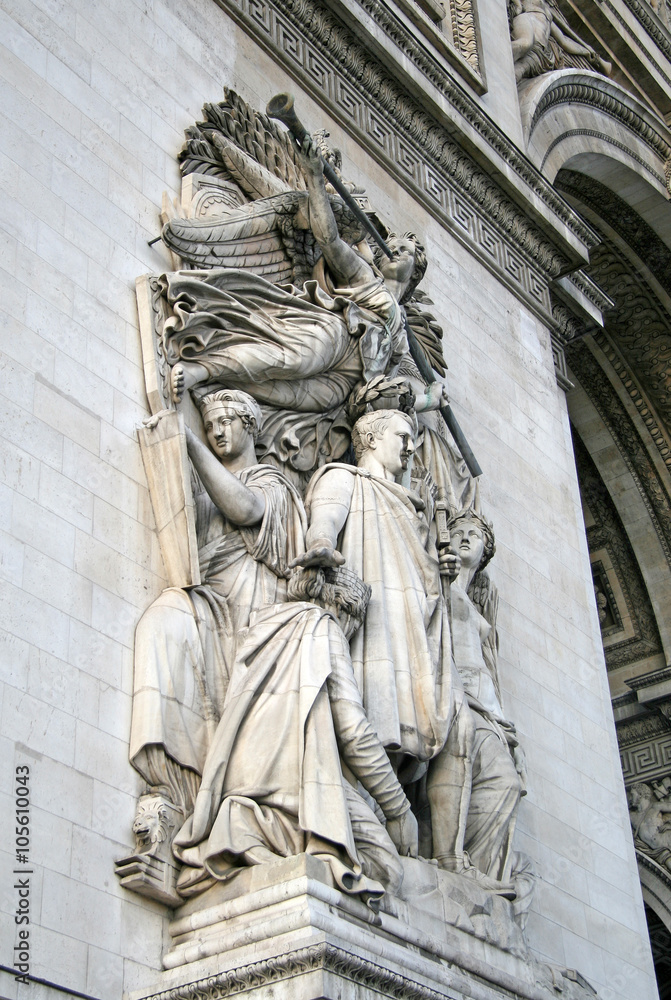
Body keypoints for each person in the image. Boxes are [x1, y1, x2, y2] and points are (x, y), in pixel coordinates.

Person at [161, 137, 427, 482]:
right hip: (339, 337)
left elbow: (394, 390)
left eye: (406, 250)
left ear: (415, 273)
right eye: (391, 246)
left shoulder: (401, 332)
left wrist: (428, 401)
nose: (395, 251)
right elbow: (329, 240)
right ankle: (202, 368)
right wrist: (316, 177)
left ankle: (217, 388)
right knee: (289, 361)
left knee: (289, 396)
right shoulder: (365, 276)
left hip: (350, 381)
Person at [125, 390, 306, 879]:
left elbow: (246, 510)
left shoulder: (275, 483)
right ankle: (176, 794)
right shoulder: (206, 487)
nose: (218, 430)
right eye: (209, 425)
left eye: (227, 421)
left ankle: (228, 811)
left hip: (254, 613)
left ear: (251, 426)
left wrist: (189, 443)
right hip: (210, 601)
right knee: (161, 620)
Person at [429, 508, 525, 887]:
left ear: (486, 552)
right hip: (460, 696)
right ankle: (460, 868)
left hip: (489, 707)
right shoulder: (440, 580)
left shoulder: (476, 601)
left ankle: (473, 873)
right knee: (503, 782)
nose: (466, 537)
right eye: (459, 532)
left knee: (506, 782)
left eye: (475, 534)